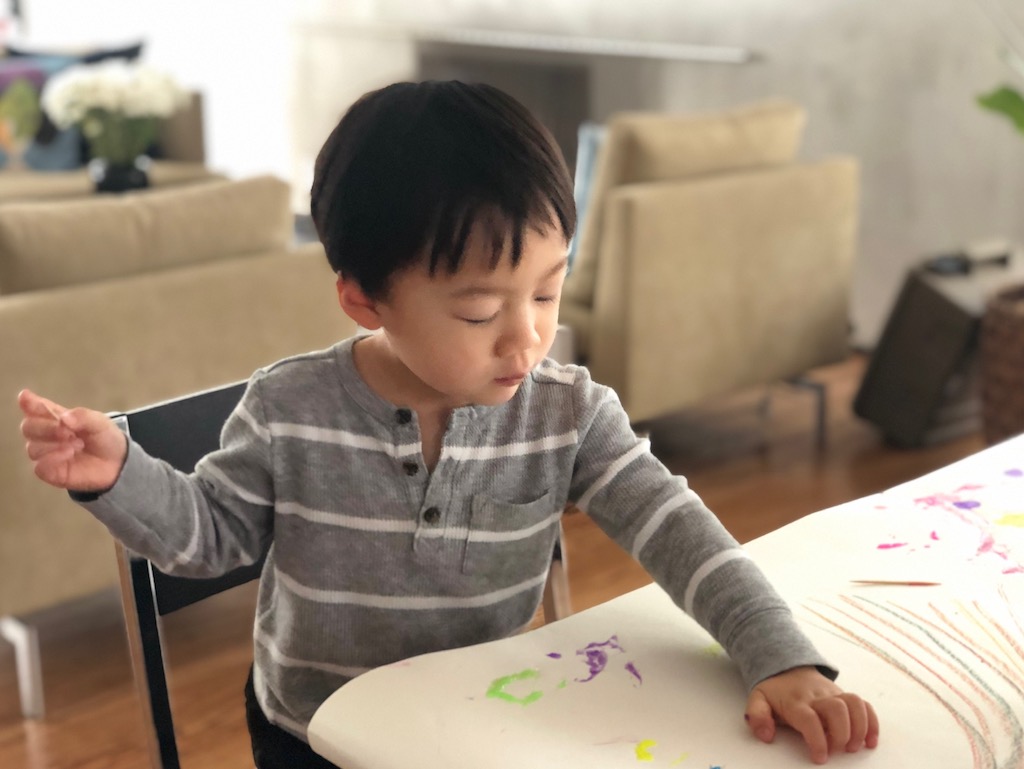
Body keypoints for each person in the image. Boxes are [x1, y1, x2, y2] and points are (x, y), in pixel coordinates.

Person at [18, 80, 879, 768]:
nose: (528, 336)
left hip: (483, 724)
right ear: (365, 297)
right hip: (315, 734)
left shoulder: (568, 413)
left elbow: (683, 535)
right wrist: (118, 472)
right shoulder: (290, 411)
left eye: (547, 290)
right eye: (478, 312)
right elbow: (206, 536)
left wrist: (780, 654)